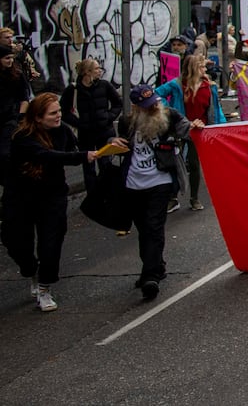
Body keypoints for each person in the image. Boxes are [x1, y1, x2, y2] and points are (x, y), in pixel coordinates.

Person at [1, 93, 107, 311]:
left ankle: (44, 288)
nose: (59, 116)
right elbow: (47, 155)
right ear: (38, 117)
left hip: (52, 196)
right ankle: (31, 269)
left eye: (59, 111)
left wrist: (106, 145)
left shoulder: (63, 131)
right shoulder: (22, 136)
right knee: (14, 240)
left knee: (51, 242)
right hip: (20, 196)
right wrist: (83, 156)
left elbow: (73, 148)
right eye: (53, 113)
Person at [119, 84, 197, 299]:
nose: (154, 107)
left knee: (154, 227)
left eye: (155, 102)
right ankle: (155, 266)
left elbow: (185, 128)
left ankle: (150, 276)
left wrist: (194, 126)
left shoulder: (169, 115)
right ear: (136, 107)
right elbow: (121, 144)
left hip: (160, 181)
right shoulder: (127, 122)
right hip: (134, 184)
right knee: (143, 230)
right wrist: (111, 142)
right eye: (147, 106)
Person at [155, 53, 226, 212]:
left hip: (199, 130)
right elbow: (157, 94)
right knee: (173, 164)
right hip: (180, 128)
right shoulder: (178, 84)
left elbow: (216, 109)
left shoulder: (210, 86)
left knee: (194, 164)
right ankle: (173, 198)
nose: (204, 69)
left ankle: (194, 198)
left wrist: (221, 127)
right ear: (193, 68)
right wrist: (169, 110)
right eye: (201, 66)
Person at [59, 57, 122, 195]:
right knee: (88, 167)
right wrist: (79, 124)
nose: (100, 71)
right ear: (87, 72)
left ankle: (107, 194)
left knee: (106, 164)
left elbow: (118, 103)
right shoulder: (73, 89)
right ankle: (93, 196)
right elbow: (63, 111)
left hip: (105, 132)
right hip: (85, 134)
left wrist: (109, 117)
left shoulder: (105, 85)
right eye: (97, 69)